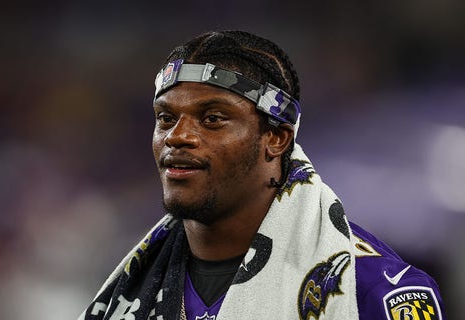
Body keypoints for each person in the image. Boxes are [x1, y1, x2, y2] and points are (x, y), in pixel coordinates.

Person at [80, 30, 444, 320]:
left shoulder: (371, 290)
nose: (177, 136)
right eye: (166, 118)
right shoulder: (128, 292)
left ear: (276, 138)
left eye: (212, 119)